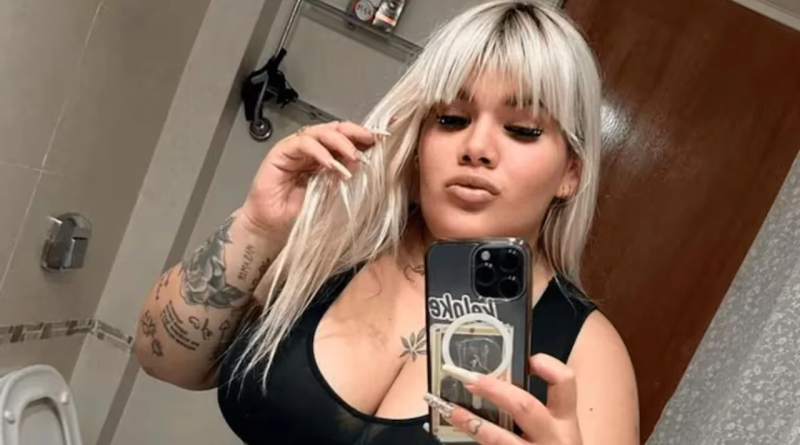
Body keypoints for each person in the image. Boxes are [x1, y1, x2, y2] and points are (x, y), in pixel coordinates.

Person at [134, 1, 639, 444]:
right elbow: (164, 361)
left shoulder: (589, 354)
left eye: (523, 129)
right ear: (420, 141)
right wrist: (258, 226)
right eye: (451, 119)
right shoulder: (338, 240)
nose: (477, 148)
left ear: (570, 173)